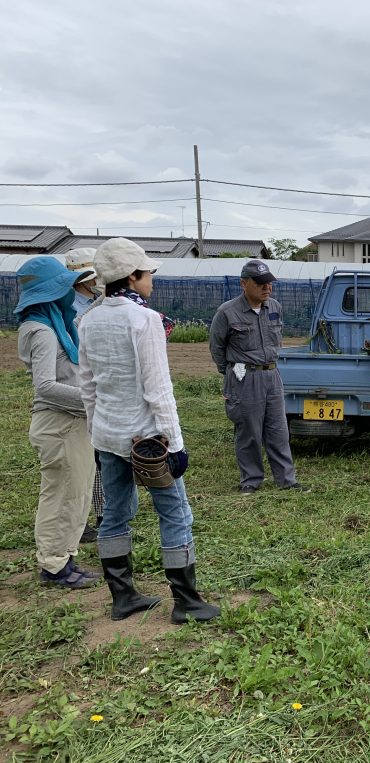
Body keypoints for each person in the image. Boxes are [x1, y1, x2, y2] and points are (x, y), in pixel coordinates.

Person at [79, 237, 219, 624]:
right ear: (132, 276)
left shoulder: (88, 319)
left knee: (115, 514)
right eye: (147, 274)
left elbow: (87, 386)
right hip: (148, 441)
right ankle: (186, 600)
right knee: (175, 513)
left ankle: (123, 596)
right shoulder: (145, 320)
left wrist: (95, 434)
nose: (151, 280)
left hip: (108, 435)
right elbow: (158, 388)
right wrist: (174, 443)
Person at [16, 256, 100, 589]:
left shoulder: (55, 323)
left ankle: (65, 557)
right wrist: (93, 401)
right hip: (59, 424)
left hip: (71, 423)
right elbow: (45, 386)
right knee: (62, 494)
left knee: (77, 493)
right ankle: (53, 566)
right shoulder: (41, 330)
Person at [209, 260, 307, 494]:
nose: (267, 288)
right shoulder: (227, 312)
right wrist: (233, 373)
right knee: (249, 431)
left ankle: (287, 480)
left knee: (278, 430)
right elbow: (217, 348)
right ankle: (251, 480)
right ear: (244, 284)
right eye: (260, 283)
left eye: (269, 283)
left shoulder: (274, 307)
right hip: (245, 377)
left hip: (272, 375)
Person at [63, 247, 103, 543]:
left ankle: (101, 511)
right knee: (83, 456)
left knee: (97, 454)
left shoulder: (88, 304)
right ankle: (81, 518)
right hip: (79, 384)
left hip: (93, 382)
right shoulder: (72, 310)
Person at [64, 248, 102, 317]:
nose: (102, 280)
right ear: (83, 278)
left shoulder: (104, 298)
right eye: (96, 277)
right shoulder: (70, 307)